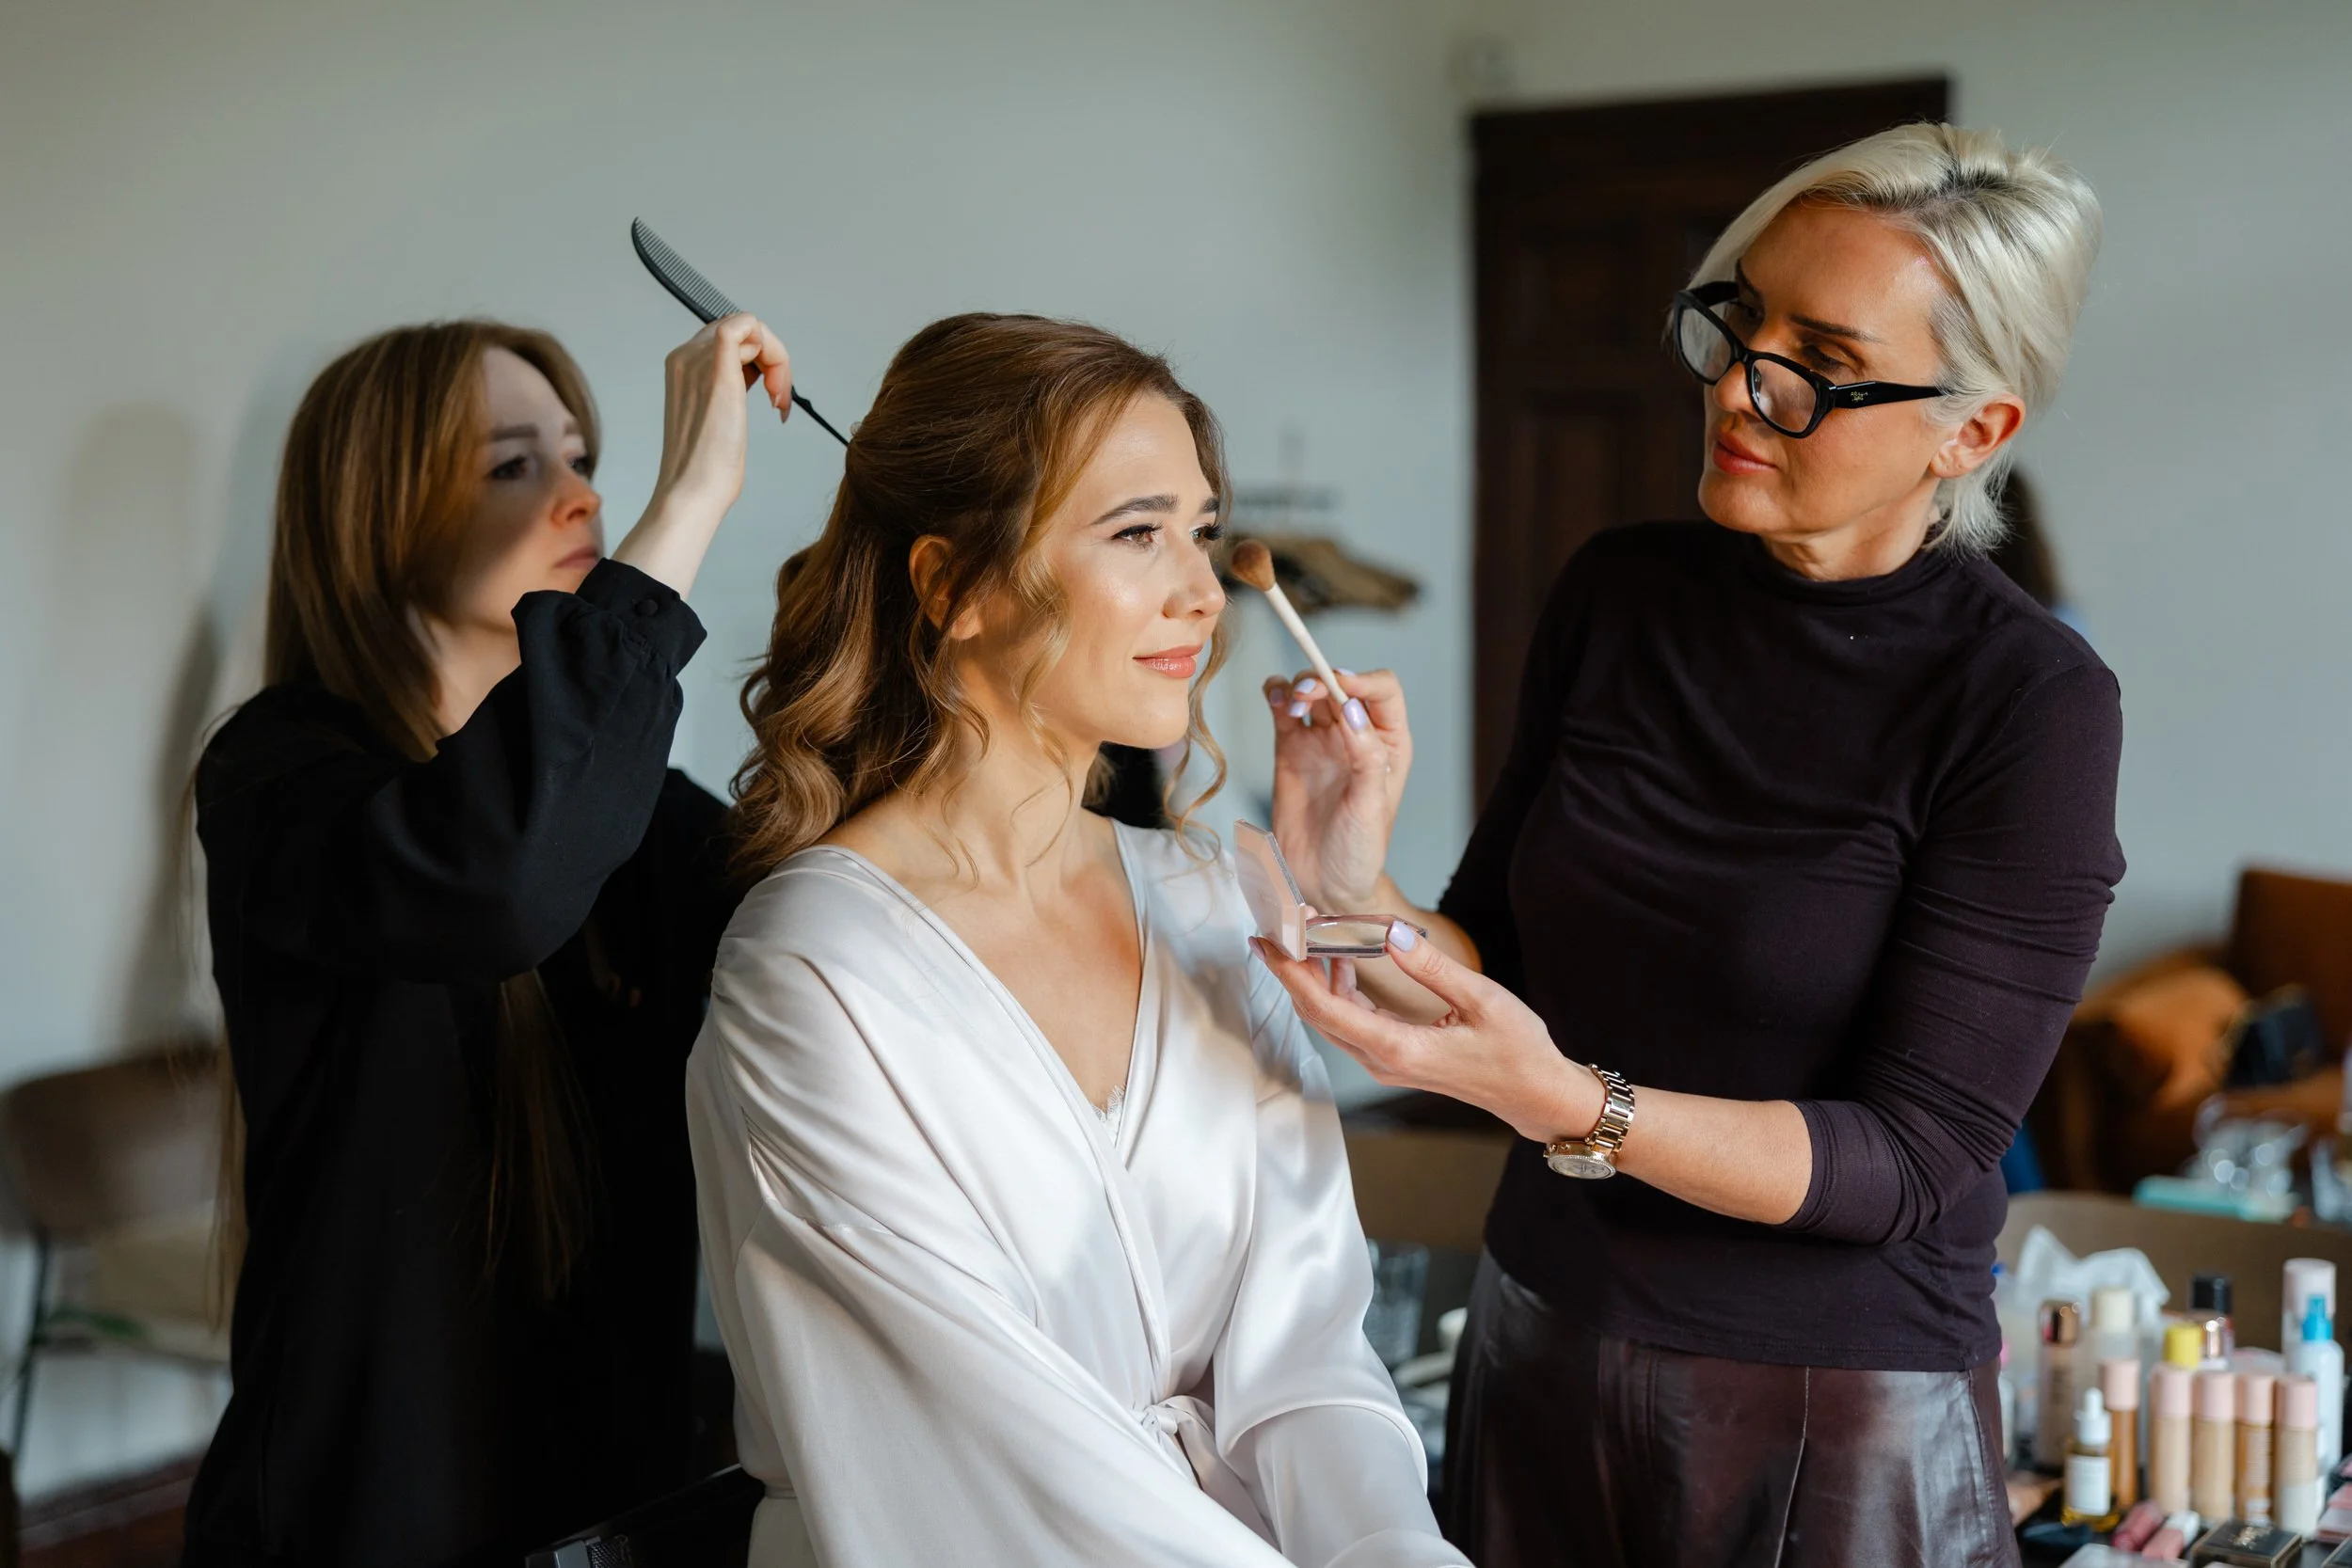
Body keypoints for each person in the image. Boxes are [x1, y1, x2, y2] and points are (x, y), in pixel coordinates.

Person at [1251, 123, 2122, 1567]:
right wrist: (1352, 880)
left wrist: (1571, 1104)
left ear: (1970, 432)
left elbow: (1903, 1158)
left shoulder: (2029, 702)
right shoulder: (1619, 595)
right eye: (1742, 321)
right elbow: (1493, 967)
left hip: (1831, 1406)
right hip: (1537, 1334)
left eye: (1817, 363)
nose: (1736, 383)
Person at [686, 313, 1466, 1568]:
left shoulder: (1212, 900)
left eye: (1201, 530)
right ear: (953, 585)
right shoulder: (815, 965)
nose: (1202, 592)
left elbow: (1311, 1354)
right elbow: (995, 1449)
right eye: (1137, 532)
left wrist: (1395, 1552)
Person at [186, 311, 792, 1567]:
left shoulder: (633, 814)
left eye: (580, 456)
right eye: (514, 464)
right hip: (359, 1525)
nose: (582, 495)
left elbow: (830, 915)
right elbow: (498, 874)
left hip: (609, 1507)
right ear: (376, 515)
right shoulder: (277, 777)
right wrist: (684, 506)